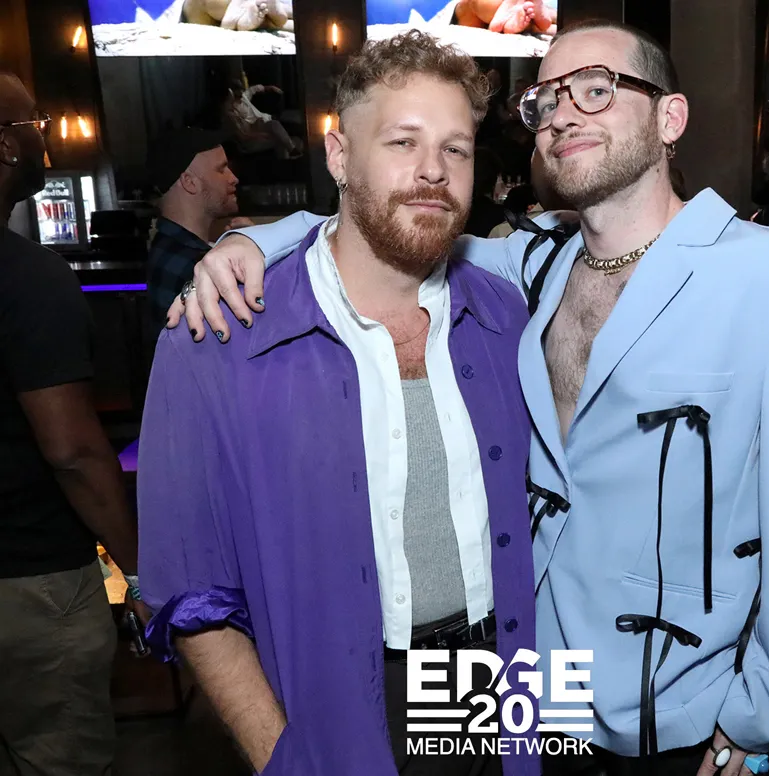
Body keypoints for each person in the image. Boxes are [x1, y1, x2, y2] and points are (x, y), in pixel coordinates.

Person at [168, 21, 769, 775]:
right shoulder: (535, 265)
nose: (565, 112)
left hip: (675, 716)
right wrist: (251, 241)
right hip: (532, 699)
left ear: (671, 117)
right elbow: (385, 223)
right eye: (548, 99)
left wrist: (755, 719)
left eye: (597, 89)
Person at [139, 32, 539, 776]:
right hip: (339, 700)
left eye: (455, 149)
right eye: (402, 141)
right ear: (339, 155)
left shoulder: (507, 316)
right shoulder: (217, 336)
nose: (432, 170)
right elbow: (188, 591)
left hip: (504, 677)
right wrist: (280, 756)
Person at [0, 72, 144, 776]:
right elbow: (74, 452)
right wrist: (140, 573)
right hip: (32, 585)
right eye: (36, 125)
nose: (46, 138)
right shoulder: (29, 278)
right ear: (5, 145)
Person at [147, 128, 243, 329]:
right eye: (221, 169)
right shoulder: (195, 266)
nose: (233, 178)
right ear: (189, 182)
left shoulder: (169, 248)